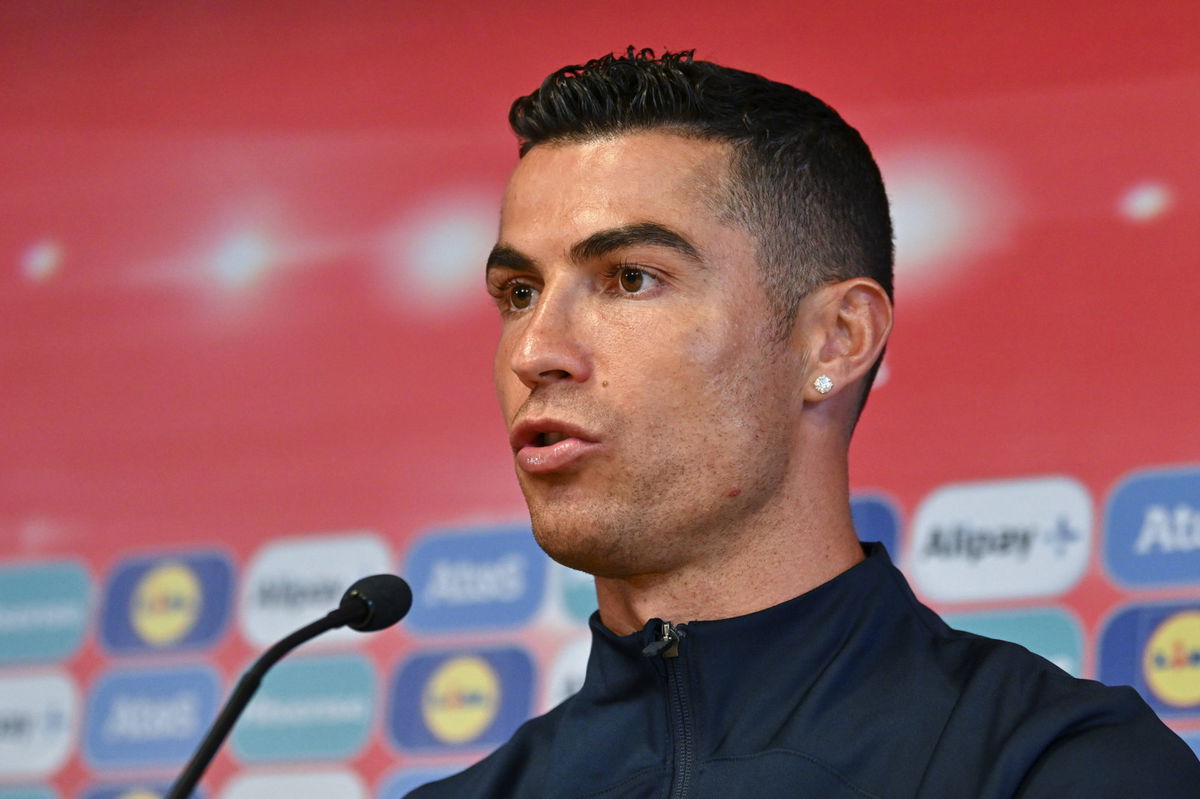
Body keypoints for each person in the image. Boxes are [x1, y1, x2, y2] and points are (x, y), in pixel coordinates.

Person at [408, 48, 1200, 798]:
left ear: (837, 338)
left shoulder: (1055, 765)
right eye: (517, 293)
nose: (536, 350)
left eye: (630, 278)